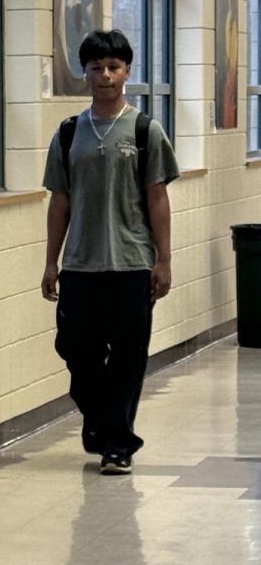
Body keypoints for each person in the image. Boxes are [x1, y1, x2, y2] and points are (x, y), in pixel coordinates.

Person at [41, 28, 179, 476]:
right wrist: (51, 261)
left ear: (127, 72)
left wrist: (164, 259)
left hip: (132, 263)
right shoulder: (67, 135)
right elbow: (59, 200)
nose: (105, 75)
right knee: (75, 351)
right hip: (81, 265)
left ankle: (117, 444)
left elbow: (157, 198)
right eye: (97, 67)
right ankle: (103, 420)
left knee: (127, 356)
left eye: (114, 67)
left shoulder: (144, 131)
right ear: (85, 73)